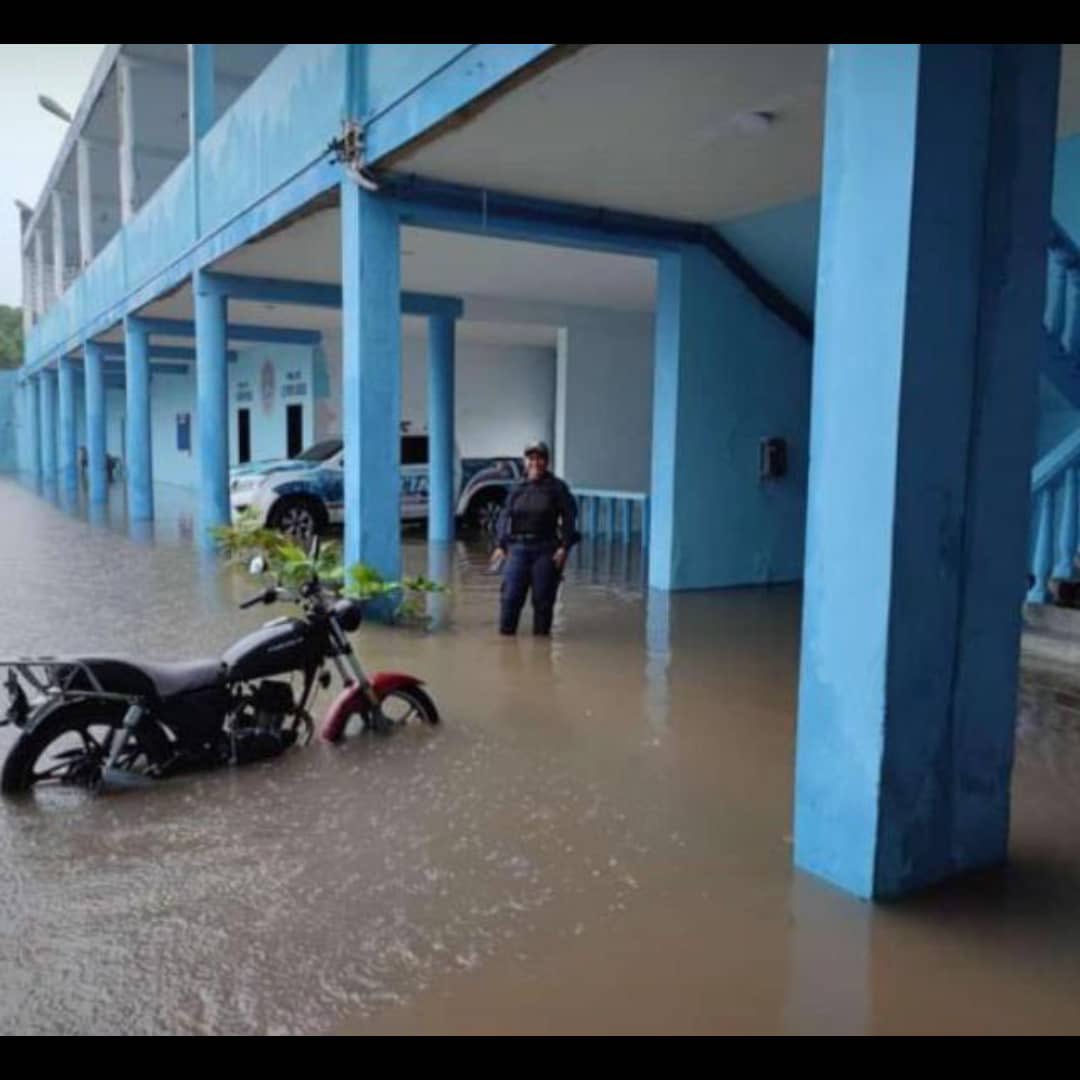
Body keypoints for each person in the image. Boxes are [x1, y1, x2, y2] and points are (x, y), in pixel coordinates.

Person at [489, 441, 579, 636]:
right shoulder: (517, 488)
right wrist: (500, 545)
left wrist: (564, 547)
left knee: (543, 601)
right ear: (525, 461)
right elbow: (504, 517)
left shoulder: (557, 488)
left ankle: (541, 646)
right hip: (517, 548)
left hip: (545, 550)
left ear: (547, 461)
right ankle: (506, 645)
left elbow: (570, 518)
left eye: (540, 458)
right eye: (531, 458)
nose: (535, 463)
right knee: (510, 598)